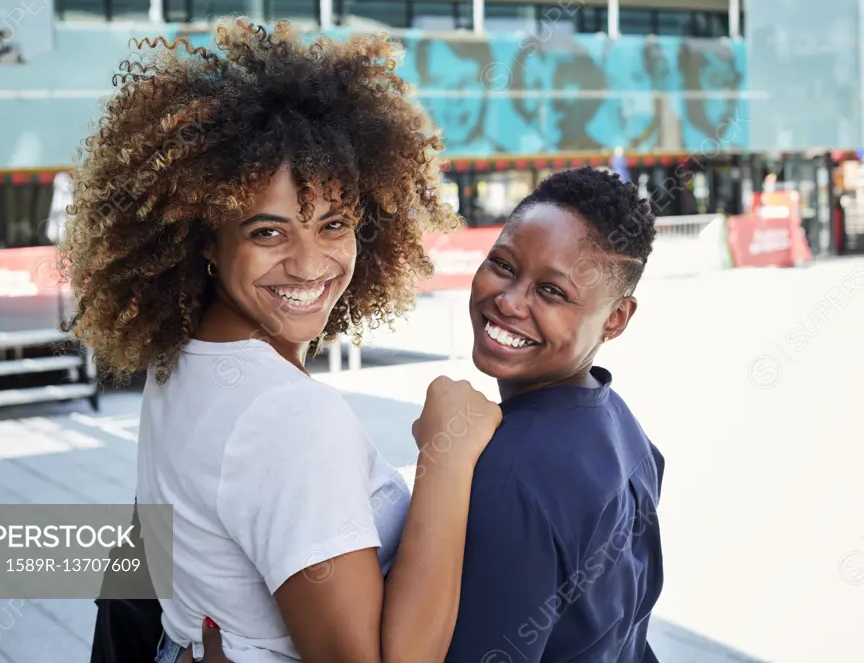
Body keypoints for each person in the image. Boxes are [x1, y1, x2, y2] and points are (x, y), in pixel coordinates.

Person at [61, 20, 501, 663]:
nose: (309, 263)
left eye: (333, 224)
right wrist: (448, 459)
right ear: (207, 241)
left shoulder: (182, 357)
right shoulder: (290, 416)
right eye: (268, 232)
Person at [188, 167, 666, 662]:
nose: (508, 300)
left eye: (552, 292)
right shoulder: (625, 431)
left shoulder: (505, 474)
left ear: (616, 318)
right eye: (502, 265)